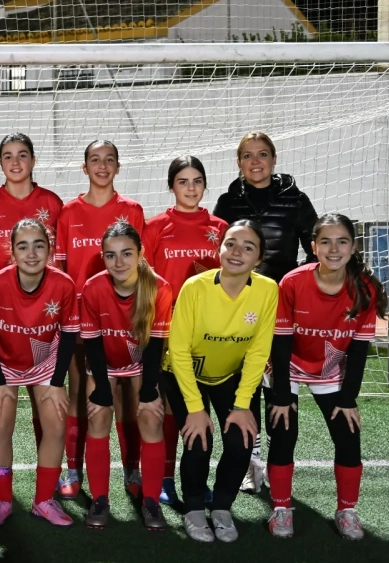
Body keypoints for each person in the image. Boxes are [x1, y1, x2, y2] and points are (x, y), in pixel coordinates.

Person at [265, 213, 385, 541]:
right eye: (326, 242)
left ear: (353, 246)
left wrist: (348, 400)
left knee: (348, 435)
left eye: (342, 241)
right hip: (287, 364)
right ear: (314, 246)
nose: (334, 249)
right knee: (283, 429)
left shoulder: (365, 289)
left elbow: (359, 351)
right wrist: (282, 395)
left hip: (330, 370)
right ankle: (281, 508)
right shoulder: (292, 282)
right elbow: (281, 341)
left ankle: (346, 510)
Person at [213, 132, 319, 493]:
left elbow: (315, 250)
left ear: (274, 160)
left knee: (280, 389)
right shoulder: (227, 203)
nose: (255, 161)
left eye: (262, 155)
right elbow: (217, 254)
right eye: (247, 156)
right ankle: (250, 462)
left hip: (281, 313)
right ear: (239, 163)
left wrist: (296, 293)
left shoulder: (296, 200)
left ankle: (278, 462)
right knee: (246, 388)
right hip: (239, 313)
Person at [161, 220, 278, 543]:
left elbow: (257, 352)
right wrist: (196, 409)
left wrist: (242, 405)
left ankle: (222, 508)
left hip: (227, 375)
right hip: (183, 372)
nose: (236, 252)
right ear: (220, 248)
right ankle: (195, 509)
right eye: (230, 243)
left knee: (241, 441)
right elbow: (179, 349)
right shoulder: (195, 287)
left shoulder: (268, 290)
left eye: (248, 247)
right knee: (199, 441)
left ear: (258, 258)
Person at [0, 133, 64, 493]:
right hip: (4, 317)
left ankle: (50, 473)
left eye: (22, 155)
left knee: (47, 401)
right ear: (1, 163)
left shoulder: (52, 203)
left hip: (45, 318)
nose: (15, 162)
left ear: (33, 160)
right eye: (8, 156)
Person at [54, 140, 145, 499]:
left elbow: (142, 268)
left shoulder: (132, 210)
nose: (102, 166)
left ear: (118, 167)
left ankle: (132, 471)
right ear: (85, 167)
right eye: (95, 160)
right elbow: (60, 270)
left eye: (109, 161)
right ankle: (73, 469)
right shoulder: (68, 212)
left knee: (127, 398)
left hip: (126, 321)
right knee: (80, 394)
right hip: (81, 322)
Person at [0, 219, 78, 527]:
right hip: (6, 365)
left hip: (46, 363)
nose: (31, 253)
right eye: (23, 246)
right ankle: (2, 501)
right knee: (0, 427)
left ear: (49, 250)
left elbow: (70, 334)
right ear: (12, 251)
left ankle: (43, 501)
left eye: (39, 245)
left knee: (56, 426)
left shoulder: (63, 284)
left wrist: (58, 382)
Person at [142, 156, 228, 504]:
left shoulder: (221, 228)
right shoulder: (156, 226)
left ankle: (196, 478)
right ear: (171, 186)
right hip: (166, 331)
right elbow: (144, 281)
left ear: (205, 185)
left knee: (200, 409)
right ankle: (164, 479)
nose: (190, 188)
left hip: (209, 332)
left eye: (196, 181)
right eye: (183, 181)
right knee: (168, 409)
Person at [80, 222, 172, 530]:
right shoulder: (93, 288)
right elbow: (92, 343)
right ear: (103, 257)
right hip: (103, 362)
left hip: (141, 362)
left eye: (127, 254)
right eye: (110, 255)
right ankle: (100, 498)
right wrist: (102, 390)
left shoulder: (159, 287)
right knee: (98, 416)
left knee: (151, 416)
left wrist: (148, 390)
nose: (119, 262)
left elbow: (155, 344)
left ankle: (151, 501)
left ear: (141, 253)